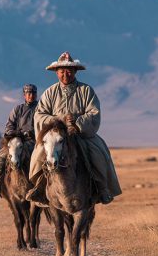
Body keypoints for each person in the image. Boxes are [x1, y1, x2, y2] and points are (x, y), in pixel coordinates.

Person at [27, 52, 122, 206]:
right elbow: (39, 115)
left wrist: (77, 124)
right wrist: (58, 120)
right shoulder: (49, 93)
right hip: (55, 135)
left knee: (99, 153)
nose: (66, 74)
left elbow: (93, 112)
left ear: (75, 71)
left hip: (81, 134)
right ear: (57, 72)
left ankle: (102, 188)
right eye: (62, 70)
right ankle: (39, 188)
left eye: (69, 70)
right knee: (37, 155)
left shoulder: (86, 91)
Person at [0, 84, 38, 200]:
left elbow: (43, 126)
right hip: (17, 140)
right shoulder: (17, 109)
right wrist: (14, 134)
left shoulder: (40, 109)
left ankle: (43, 187)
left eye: (33, 93)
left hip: (33, 142)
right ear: (24, 95)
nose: (31, 95)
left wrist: (32, 134)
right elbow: (9, 126)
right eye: (28, 93)